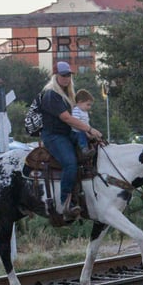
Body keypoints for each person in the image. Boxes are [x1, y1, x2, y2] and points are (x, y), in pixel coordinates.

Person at [39, 62, 103, 220]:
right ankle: (65, 202)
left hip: (68, 133)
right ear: (56, 76)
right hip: (54, 136)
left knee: (95, 150)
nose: (66, 78)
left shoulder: (67, 95)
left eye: (68, 75)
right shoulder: (51, 95)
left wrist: (89, 134)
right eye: (63, 75)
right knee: (70, 163)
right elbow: (67, 118)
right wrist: (89, 129)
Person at [72, 88, 96, 159]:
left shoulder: (85, 112)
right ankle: (84, 149)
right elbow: (76, 123)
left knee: (92, 137)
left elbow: (87, 124)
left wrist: (90, 132)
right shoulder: (76, 110)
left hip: (84, 130)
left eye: (90, 105)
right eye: (88, 105)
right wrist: (87, 132)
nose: (89, 107)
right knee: (81, 134)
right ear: (80, 102)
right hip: (75, 132)